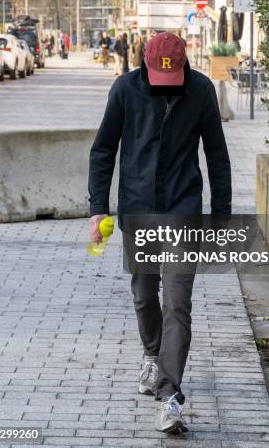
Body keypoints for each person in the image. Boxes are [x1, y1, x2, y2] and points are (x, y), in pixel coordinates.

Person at [88, 32, 231, 435]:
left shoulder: (201, 90)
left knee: (178, 303)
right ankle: (152, 355)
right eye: (157, 76)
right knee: (143, 294)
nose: (164, 84)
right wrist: (98, 208)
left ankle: (170, 395)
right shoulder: (125, 89)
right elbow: (103, 150)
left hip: (184, 208)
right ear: (144, 64)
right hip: (137, 208)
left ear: (184, 64)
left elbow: (217, 154)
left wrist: (221, 215)